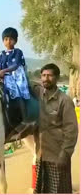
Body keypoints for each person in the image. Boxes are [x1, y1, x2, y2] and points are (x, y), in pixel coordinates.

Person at [31, 63, 78, 193]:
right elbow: (26, 82)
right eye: (43, 75)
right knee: (42, 190)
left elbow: (71, 130)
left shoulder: (65, 100)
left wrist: (65, 154)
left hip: (58, 156)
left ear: (56, 78)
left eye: (50, 75)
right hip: (41, 155)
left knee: (59, 190)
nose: (46, 78)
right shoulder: (39, 94)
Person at [0, 27, 30, 125]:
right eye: (6, 39)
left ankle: (24, 119)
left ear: (15, 41)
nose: (8, 41)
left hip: (16, 75)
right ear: (3, 41)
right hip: (5, 76)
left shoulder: (18, 52)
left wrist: (4, 71)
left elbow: (15, 65)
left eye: (11, 39)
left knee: (18, 93)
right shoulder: (1, 54)